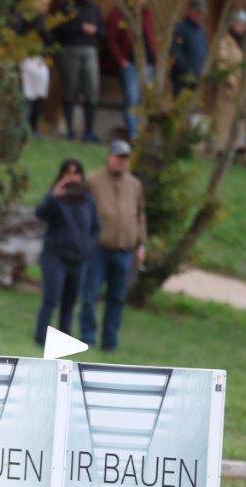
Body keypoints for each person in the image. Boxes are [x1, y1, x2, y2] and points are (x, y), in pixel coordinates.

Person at [82, 140, 146, 351]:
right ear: (109, 157)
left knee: (117, 298)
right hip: (98, 248)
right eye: (118, 157)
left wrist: (141, 245)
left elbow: (140, 216)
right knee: (90, 295)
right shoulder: (92, 180)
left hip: (124, 250)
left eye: (125, 158)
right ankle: (88, 337)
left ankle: (110, 342)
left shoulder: (135, 185)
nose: (121, 162)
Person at [34, 158, 99, 347]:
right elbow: (40, 214)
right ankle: (41, 337)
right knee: (51, 299)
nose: (72, 178)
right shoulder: (55, 197)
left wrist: (88, 247)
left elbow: (95, 227)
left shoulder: (87, 199)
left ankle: (63, 339)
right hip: (55, 257)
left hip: (79, 259)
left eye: (76, 173)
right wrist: (53, 197)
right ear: (61, 175)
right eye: (68, 173)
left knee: (70, 302)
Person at [52, 0, 104, 142]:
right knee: (70, 88)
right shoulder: (66, 6)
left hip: (90, 50)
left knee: (92, 88)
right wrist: (79, 27)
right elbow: (56, 30)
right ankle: (69, 129)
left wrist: (95, 30)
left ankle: (89, 131)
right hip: (70, 49)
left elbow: (103, 31)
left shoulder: (93, 8)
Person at [104, 0, 156, 140]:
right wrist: (121, 60)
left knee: (145, 101)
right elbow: (111, 39)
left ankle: (142, 134)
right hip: (130, 64)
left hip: (148, 64)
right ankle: (134, 135)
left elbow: (151, 37)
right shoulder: (119, 13)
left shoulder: (147, 14)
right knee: (132, 99)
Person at [210, 10, 246, 156]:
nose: (242, 27)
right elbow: (221, 63)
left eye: (244, 25)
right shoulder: (224, 41)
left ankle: (234, 148)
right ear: (233, 23)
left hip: (240, 90)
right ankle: (218, 149)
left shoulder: (244, 43)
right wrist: (231, 80)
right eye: (239, 24)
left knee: (237, 120)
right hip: (227, 88)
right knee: (222, 119)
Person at [10, 1, 53, 136]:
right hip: (25, 59)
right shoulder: (21, 18)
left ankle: (33, 127)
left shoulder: (43, 21)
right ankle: (22, 126)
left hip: (39, 60)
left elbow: (49, 40)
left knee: (39, 96)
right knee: (26, 96)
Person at [170, 0, 209, 96]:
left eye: (203, 13)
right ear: (190, 11)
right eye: (198, 12)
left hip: (197, 79)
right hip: (182, 79)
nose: (201, 16)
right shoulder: (181, 28)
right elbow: (177, 52)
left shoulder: (201, 31)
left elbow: (204, 52)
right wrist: (187, 72)